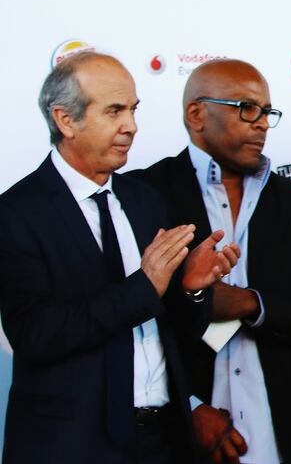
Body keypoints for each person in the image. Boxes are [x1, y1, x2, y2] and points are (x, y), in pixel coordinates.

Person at [0, 52, 238, 463]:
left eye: (132, 109)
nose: (131, 126)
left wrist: (192, 291)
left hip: (163, 441)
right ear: (65, 120)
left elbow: (170, 330)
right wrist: (144, 286)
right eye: (114, 111)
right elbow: (36, 335)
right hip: (71, 446)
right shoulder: (17, 213)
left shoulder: (143, 199)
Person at [129, 59, 291, 464]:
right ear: (197, 114)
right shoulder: (143, 194)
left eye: (267, 112)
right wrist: (187, 406)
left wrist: (251, 304)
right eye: (246, 109)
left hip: (282, 443)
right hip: (176, 442)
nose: (262, 124)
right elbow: (127, 328)